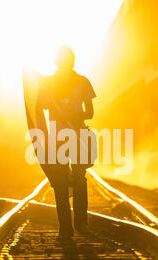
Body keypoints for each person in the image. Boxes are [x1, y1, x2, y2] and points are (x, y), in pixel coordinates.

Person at [36, 46, 96, 241]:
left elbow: (90, 113)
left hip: (77, 135)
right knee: (62, 182)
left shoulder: (83, 82)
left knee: (79, 179)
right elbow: (39, 107)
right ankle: (66, 228)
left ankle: (80, 224)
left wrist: (71, 114)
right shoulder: (47, 84)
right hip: (58, 138)